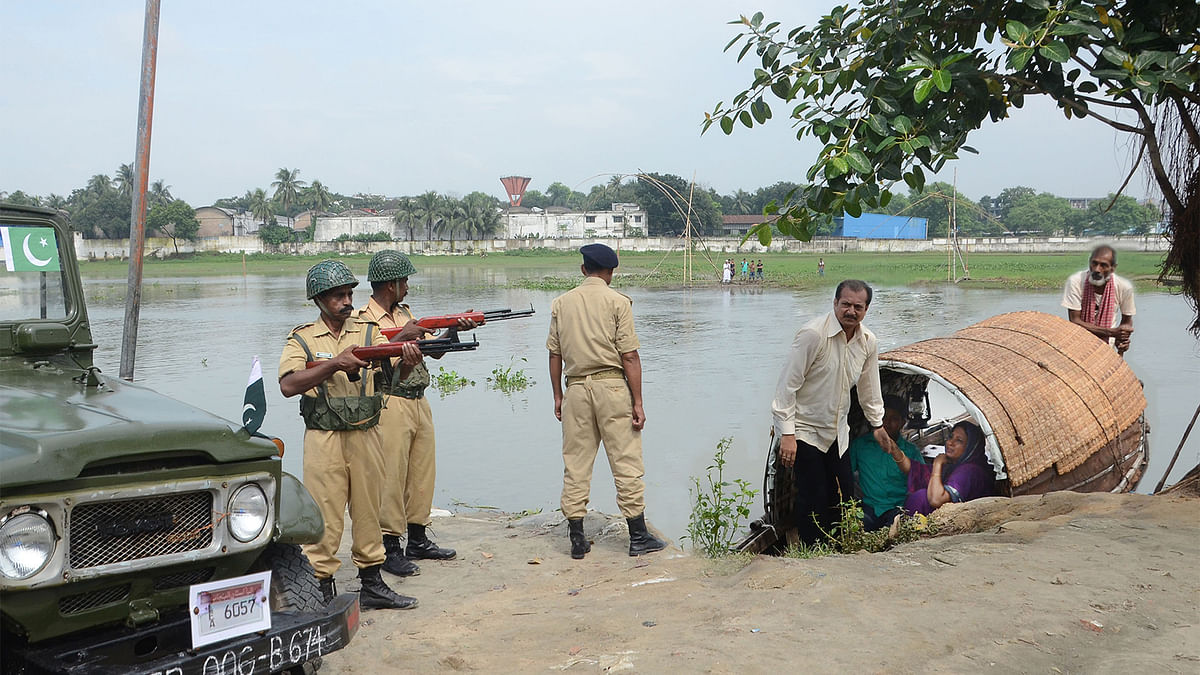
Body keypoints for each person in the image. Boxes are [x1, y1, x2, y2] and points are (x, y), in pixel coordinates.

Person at [278, 260, 420, 610]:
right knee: (325, 513)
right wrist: (334, 364)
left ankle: (372, 582)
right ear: (320, 299)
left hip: (365, 433)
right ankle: (322, 588)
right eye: (339, 295)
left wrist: (407, 362)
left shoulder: (368, 332)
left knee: (369, 508)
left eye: (349, 294)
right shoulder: (303, 339)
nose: (347, 301)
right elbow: (288, 385)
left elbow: (389, 379)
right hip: (323, 437)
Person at [547, 243, 667, 559]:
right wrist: (638, 402)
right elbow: (629, 356)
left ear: (583, 269)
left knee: (575, 463)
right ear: (610, 272)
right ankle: (638, 537)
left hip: (575, 389)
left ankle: (576, 539)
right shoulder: (618, 302)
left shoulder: (561, 303)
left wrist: (559, 395)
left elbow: (554, 354)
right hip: (612, 387)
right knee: (626, 460)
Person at [357, 251, 469, 579]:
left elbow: (435, 351)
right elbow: (367, 361)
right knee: (392, 476)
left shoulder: (406, 313)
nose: (407, 286)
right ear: (390, 284)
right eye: (404, 280)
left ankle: (418, 537)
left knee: (422, 472)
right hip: (390, 400)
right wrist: (403, 337)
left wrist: (453, 329)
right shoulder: (365, 320)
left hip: (419, 399)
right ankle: (390, 547)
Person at [771, 280, 898, 545]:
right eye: (846, 305)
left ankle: (838, 546)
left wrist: (877, 425)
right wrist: (787, 434)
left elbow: (869, 388)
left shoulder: (867, 341)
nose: (851, 311)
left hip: (838, 432)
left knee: (844, 495)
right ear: (835, 304)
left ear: (866, 310)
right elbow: (786, 387)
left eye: (858, 307)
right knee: (812, 495)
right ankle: (812, 550)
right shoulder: (813, 335)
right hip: (806, 429)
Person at [848, 395, 925, 531]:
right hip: (869, 508)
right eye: (883, 417)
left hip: (898, 509)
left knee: (897, 531)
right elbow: (845, 474)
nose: (887, 423)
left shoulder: (911, 451)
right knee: (856, 528)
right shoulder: (860, 445)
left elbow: (922, 482)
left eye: (894, 419)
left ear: (902, 422)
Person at [902, 420, 995, 515]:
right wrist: (894, 451)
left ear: (970, 447)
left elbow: (936, 500)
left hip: (970, 521)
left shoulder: (969, 471)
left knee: (921, 497)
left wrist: (937, 464)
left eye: (959, 440)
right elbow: (919, 471)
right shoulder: (953, 466)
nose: (950, 442)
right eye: (951, 437)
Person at [1061, 245, 1135, 354]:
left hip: (1107, 348)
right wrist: (1112, 332)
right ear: (1089, 262)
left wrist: (1122, 339)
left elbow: (1126, 322)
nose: (1097, 269)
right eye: (1094, 263)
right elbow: (1075, 321)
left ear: (1113, 268)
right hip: (1078, 345)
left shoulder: (1124, 287)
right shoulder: (1076, 281)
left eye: (1103, 265)